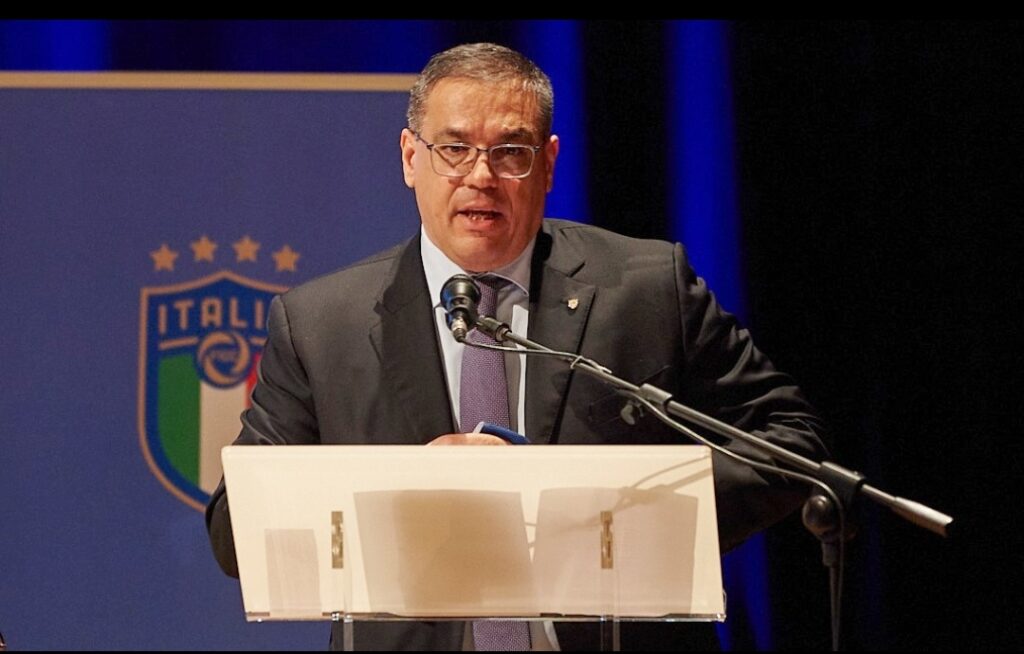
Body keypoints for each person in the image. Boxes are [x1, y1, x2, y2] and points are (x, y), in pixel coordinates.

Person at [206, 42, 828, 651]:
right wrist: (403, 492)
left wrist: (602, 512)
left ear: (549, 163)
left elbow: (791, 444)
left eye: (511, 152)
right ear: (410, 158)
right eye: (454, 149)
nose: (481, 176)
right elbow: (236, 528)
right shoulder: (320, 324)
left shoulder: (646, 289)